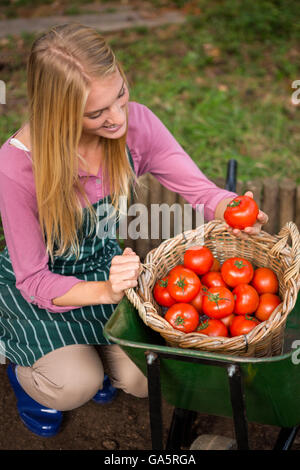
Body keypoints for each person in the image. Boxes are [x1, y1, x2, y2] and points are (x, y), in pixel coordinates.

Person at [0, 23, 268, 437]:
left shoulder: (136, 125)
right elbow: (33, 278)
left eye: (120, 95)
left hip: (106, 268)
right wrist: (106, 292)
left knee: (145, 380)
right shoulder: (16, 167)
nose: (118, 117)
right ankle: (29, 381)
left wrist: (235, 210)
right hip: (44, 285)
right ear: (58, 112)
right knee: (75, 384)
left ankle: (96, 361)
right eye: (97, 113)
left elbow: (199, 189)